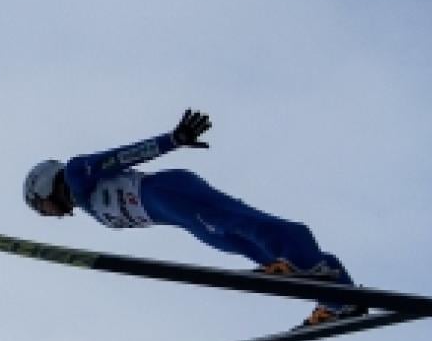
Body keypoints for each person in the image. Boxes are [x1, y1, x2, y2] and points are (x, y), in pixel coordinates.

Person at [24, 110, 363, 328]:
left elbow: (120, 157)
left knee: (238, 224)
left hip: (168, 192)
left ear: (43, 186)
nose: (46, 215)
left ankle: (299, 257)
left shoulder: (75, 175)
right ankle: (339, 298)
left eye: (40, 207)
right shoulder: (88, 207)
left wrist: (173, 140)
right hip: (174, 216)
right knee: (235, 242)